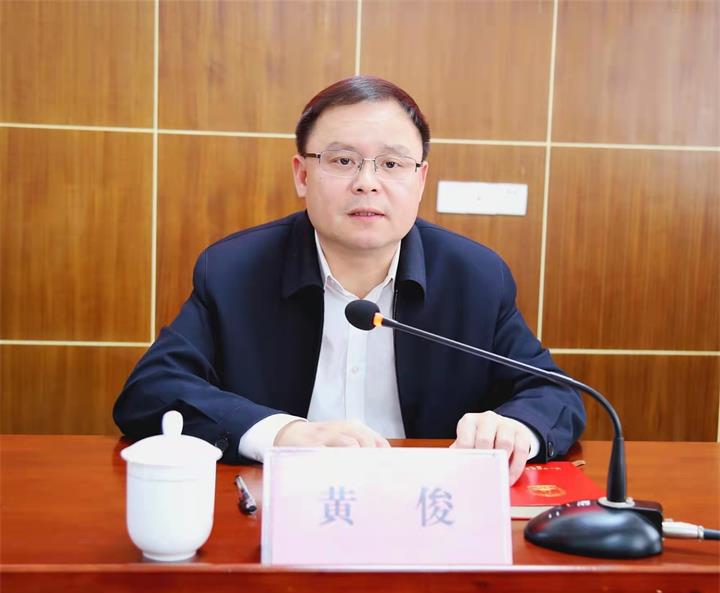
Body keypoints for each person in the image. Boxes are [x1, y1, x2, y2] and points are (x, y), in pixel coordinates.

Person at [113, 76, 585, 484]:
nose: (367, 182)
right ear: (302, 174)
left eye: (392, 164)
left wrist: (515, 427)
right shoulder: (235, 270)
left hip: (425, 506)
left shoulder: (475, 277)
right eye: (342, 161)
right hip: (282, 502)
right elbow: (151, 391)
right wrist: (281, 433)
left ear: (420, 179)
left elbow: (554, 394)